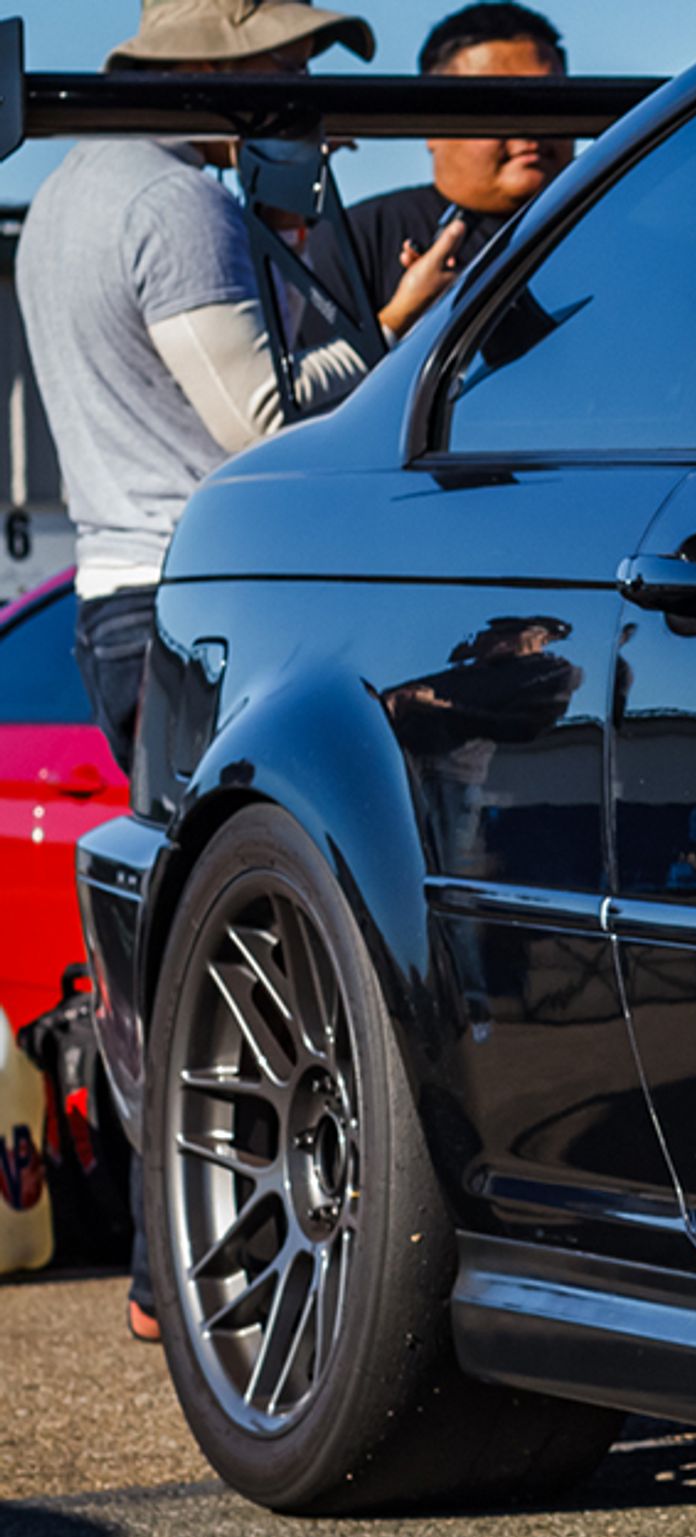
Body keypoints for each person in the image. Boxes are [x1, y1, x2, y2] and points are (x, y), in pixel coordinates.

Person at [16, 0, 458, 1338]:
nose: (305, 94)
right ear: (223, 70)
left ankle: (179, 1275)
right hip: (196, 595)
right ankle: (192, 1276)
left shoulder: (71, 193)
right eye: (290, 65)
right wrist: (400, 328)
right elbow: (258, 426)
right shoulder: (175, 205)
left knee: (199, 940)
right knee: (250, 947)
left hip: (115, 589)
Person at [325, 5, 571, 328]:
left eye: (550, 101)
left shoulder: (619, 226)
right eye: (497, 107)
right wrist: (402, 321)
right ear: (431, 124)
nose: (529, 129)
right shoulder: (356, 241)